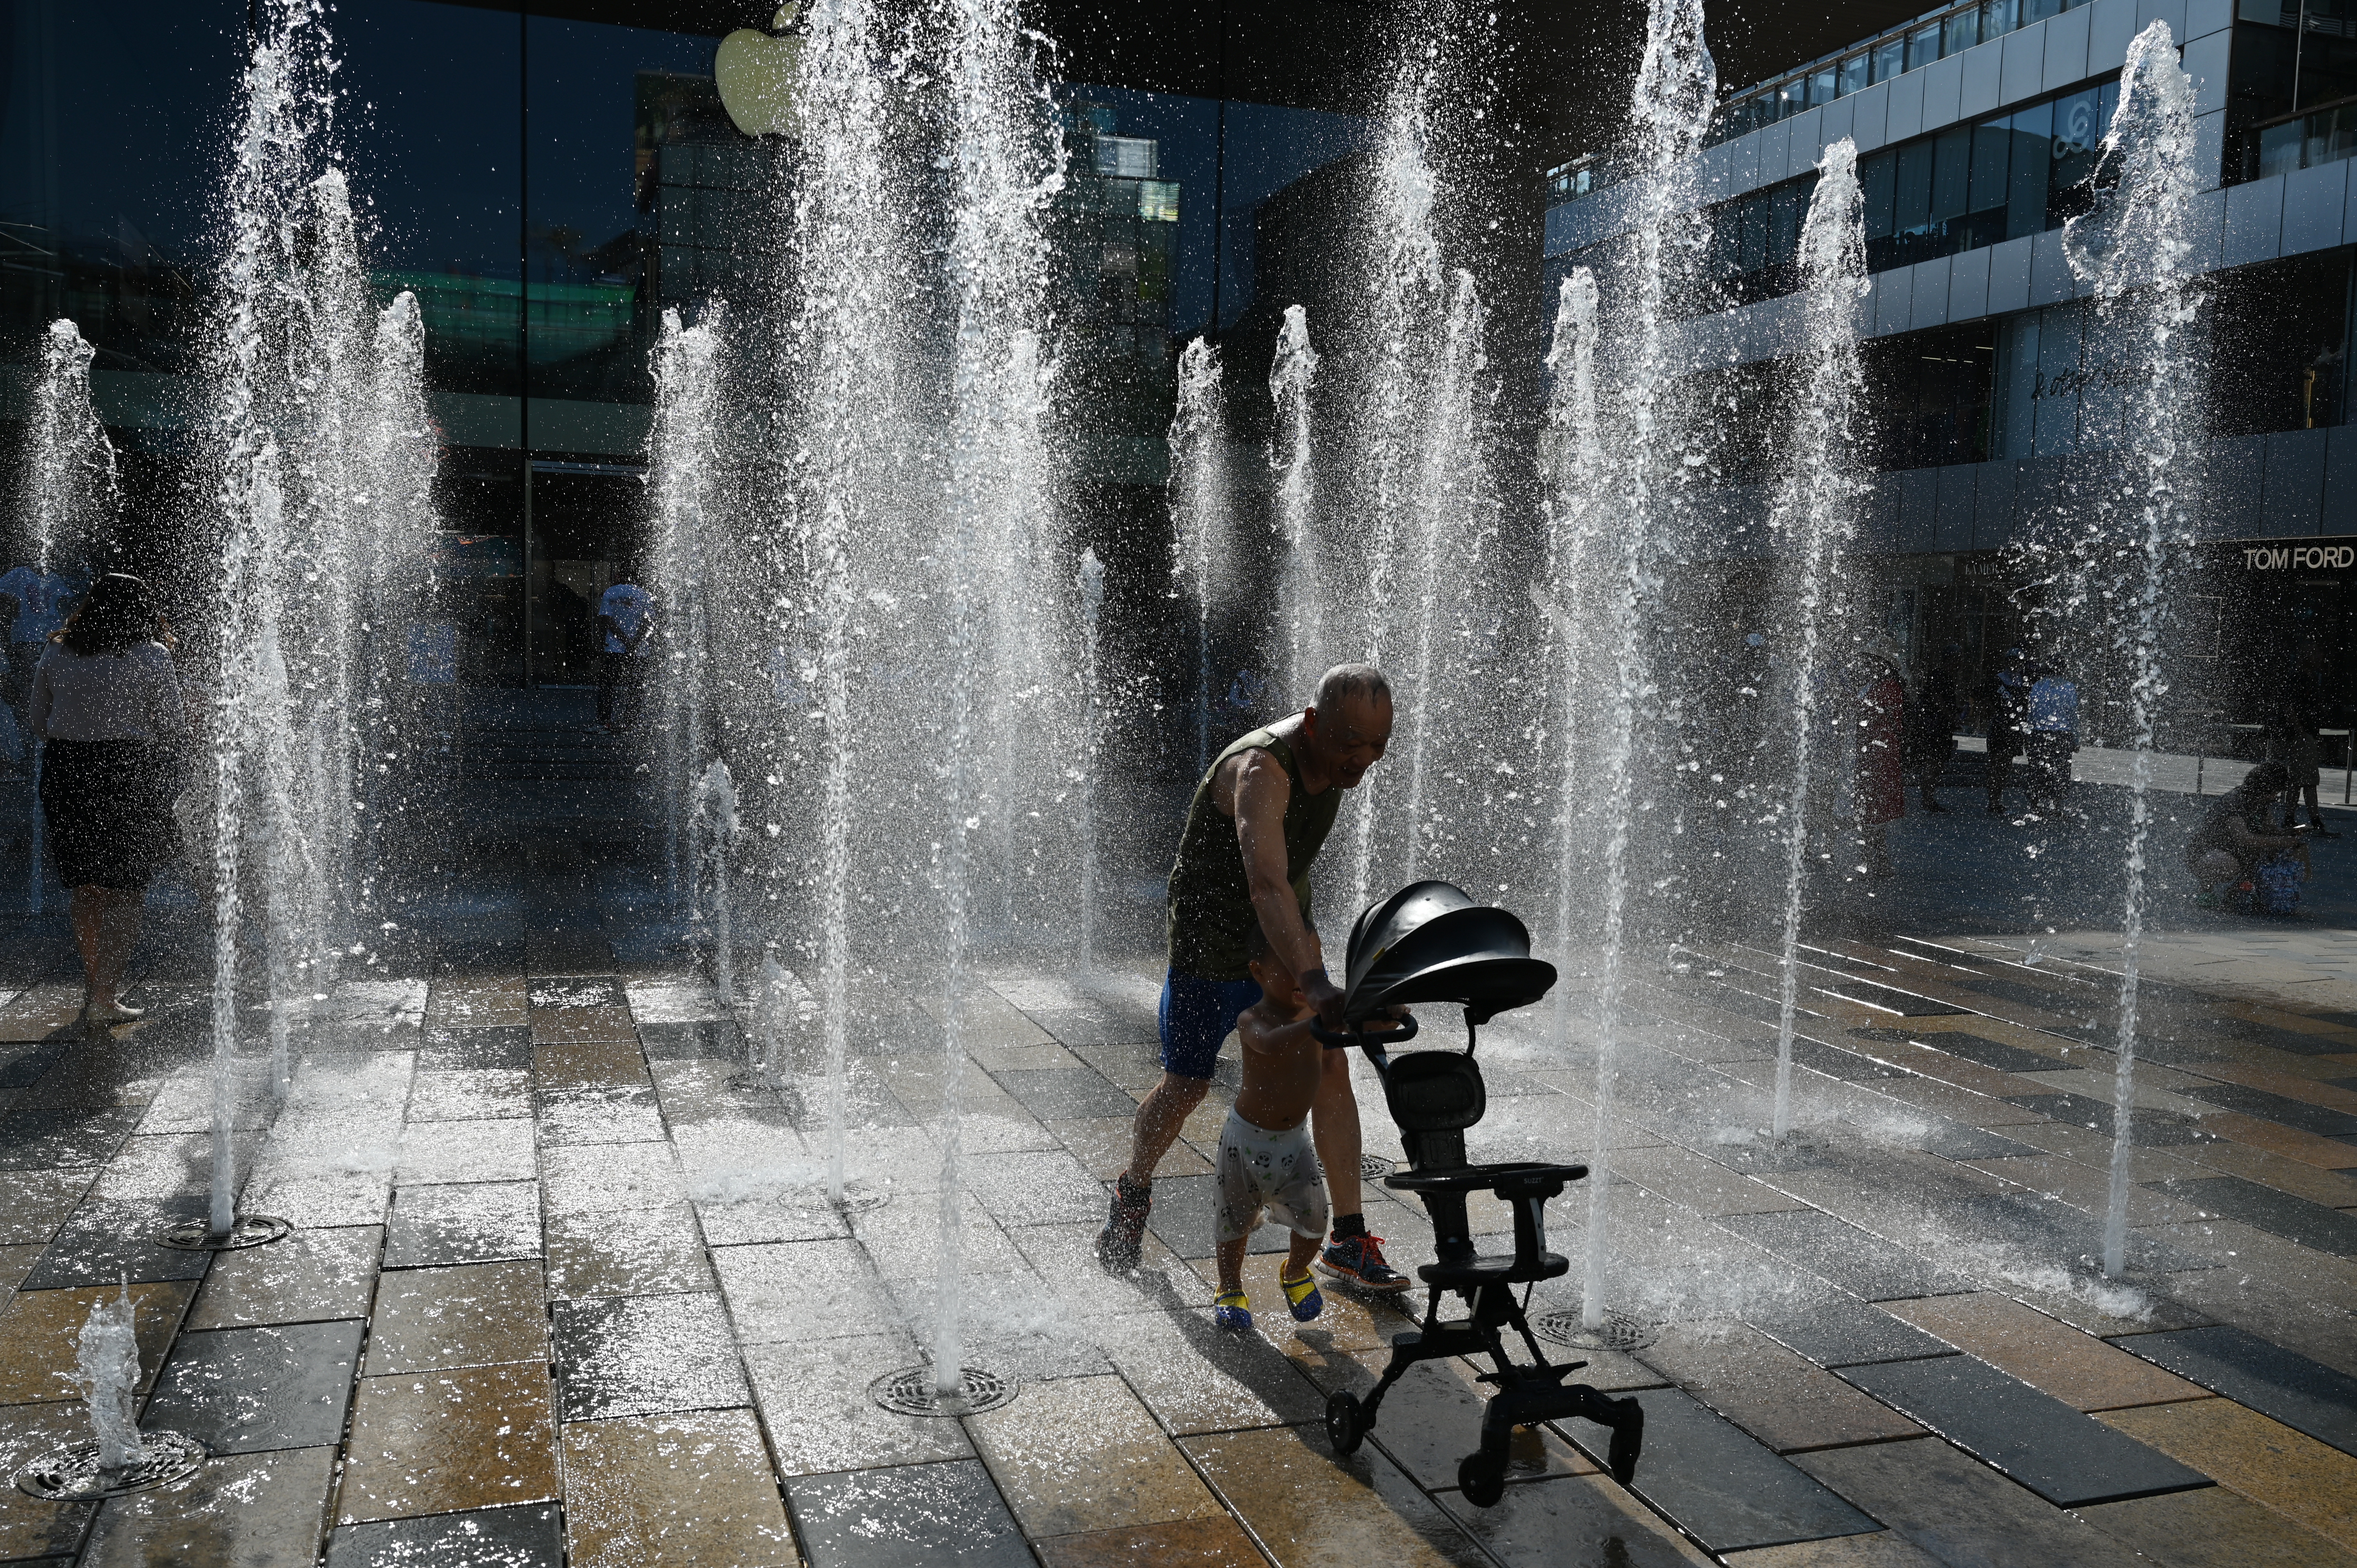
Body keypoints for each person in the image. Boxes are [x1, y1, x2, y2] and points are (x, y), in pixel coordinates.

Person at [1098, 662, 1408, 1292]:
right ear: (1315, 722)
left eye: (1377, 745)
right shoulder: (1262, 770)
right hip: (1212, 941)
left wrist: (1328, 986)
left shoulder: (1340, 757)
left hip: (1285, 932)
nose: (1362, 760)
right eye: (1350, 742)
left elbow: (1284, 890)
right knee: (1186, 1084)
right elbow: (1264, 882)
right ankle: (1134, 1187)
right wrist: (1317, 979)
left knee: (1329, 1065)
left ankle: (1347, 1237)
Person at [26, 574, 189, 1029]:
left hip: (68, 771)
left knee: (87, 886)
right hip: (128, 771)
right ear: (142, 610)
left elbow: (39, 719)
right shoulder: (152, 656)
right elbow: (172, 726)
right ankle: (105, 995)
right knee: (127, 889)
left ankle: (94, 984)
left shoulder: (57, 650)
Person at [1210, 925, 1337, 1332]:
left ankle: (1296, 1270)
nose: (1304, 974)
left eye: (1312, 965)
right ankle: (1229, 1285)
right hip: (1244, 1143)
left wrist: (1384, 1016)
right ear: (1258, 971)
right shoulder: (1253, 1019)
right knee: (1234, 1222)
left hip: (1294, 1142)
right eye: (1289, 965)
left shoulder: (1317, 1016)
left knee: (1315, 1217)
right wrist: (1315, 1024)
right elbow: (1271, 1042)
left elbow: (1356, 1029)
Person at [2186, 760, 2310, 907]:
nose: (2275, 797)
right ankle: (2205, 891)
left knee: (2265, 850)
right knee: (2229, 863)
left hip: (2234, 851)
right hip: (2207, 853)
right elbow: (2243, 838)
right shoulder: (2236, 802)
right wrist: (2281, 841)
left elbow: (2270, 831)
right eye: (2275, 791)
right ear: (2265, 788)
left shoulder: (2261, 802)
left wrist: (2289, 833)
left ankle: (2236, 892)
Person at [2270, 643, 2338, 838]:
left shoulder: (2303, 678)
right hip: (2301, 736)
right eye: (2316, 653)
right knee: (2308, 780)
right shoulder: (2300, 678)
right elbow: (2288, 706)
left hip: (2300, 735)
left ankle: (2291, 819)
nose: (2319, 658)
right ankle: (2314, 822)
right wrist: (2302, 732)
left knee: (2298, 780)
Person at [1852, 636, 1906, 877]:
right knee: (1870, 807)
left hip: (1879, 753)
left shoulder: (1889, 687)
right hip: (1870, 751)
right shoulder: (1878, 684)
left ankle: (1878, 862)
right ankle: (1874, 861)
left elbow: (1891, 720)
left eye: (1871, 661)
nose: (1866, 665)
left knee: (1875, 807)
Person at [0, 562, 79, 713]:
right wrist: (11, 601)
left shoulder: (53, 578)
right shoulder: (20, 573)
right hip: (25, 636)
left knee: (52, 679)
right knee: (29, 679)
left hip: (52, 637)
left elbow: (68, 600)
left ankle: (46, 715)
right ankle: (28, 717)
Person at [595, 574, 654, 733]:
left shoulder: (611, 592)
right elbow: (648, 622)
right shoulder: (644, 594)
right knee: (635, 687)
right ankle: (629, 723)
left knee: (607, 686)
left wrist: (623, 641)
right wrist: (634, 642)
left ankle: (604, 722)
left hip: (614, 648)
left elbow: (607, 620)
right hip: (638, 650)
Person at [1908, 643, 1962, 813]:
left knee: (1935, 764)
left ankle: (1929, 798)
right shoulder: (1939, 675)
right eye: (1958, 659)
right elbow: (1938, 700)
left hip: (1939, 727)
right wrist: (1951, 717)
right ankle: (1927, 800)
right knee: (1933, 763)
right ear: (1951, 659)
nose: (1961, 664)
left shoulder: (1944, 676)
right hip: (1934, 728)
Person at [2026, 659, 2080, 817]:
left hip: (2039, 733)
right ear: (2063, 669)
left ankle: (2035, 805)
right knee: (2061, 770)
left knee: (2037, 769)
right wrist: (2076, 738)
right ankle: (2056, 806)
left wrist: (2029, 733)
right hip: (2061, 734)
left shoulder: (2037, 686)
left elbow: (2032, 711)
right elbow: (2072, 714)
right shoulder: (2068, 687)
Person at [1982, 647, 2031, 816]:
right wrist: (1993, 713)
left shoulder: (2022, 683)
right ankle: (1993, 801)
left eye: (2017, 661)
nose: (2014, 665)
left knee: (2006, 766)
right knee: (1996, 764)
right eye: (2011, 661)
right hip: (1999, 728)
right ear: (2006, 662)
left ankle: (1998, 799)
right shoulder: (1997, 680)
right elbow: (1983, 697)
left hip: (2014, 729)